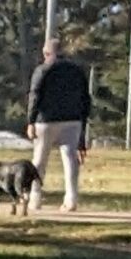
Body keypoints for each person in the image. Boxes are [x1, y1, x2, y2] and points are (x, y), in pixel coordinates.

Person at [29, 41, 94, 211]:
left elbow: (35, 95)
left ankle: (35, 197)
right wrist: (82, 127)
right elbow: (85, 99)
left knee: (39, 160)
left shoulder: (42, 70)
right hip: (72, 120)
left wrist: (30, 121)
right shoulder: (77, 71)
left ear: (47, 53)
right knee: (70, 160)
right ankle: (71, 199)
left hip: (46, 120)